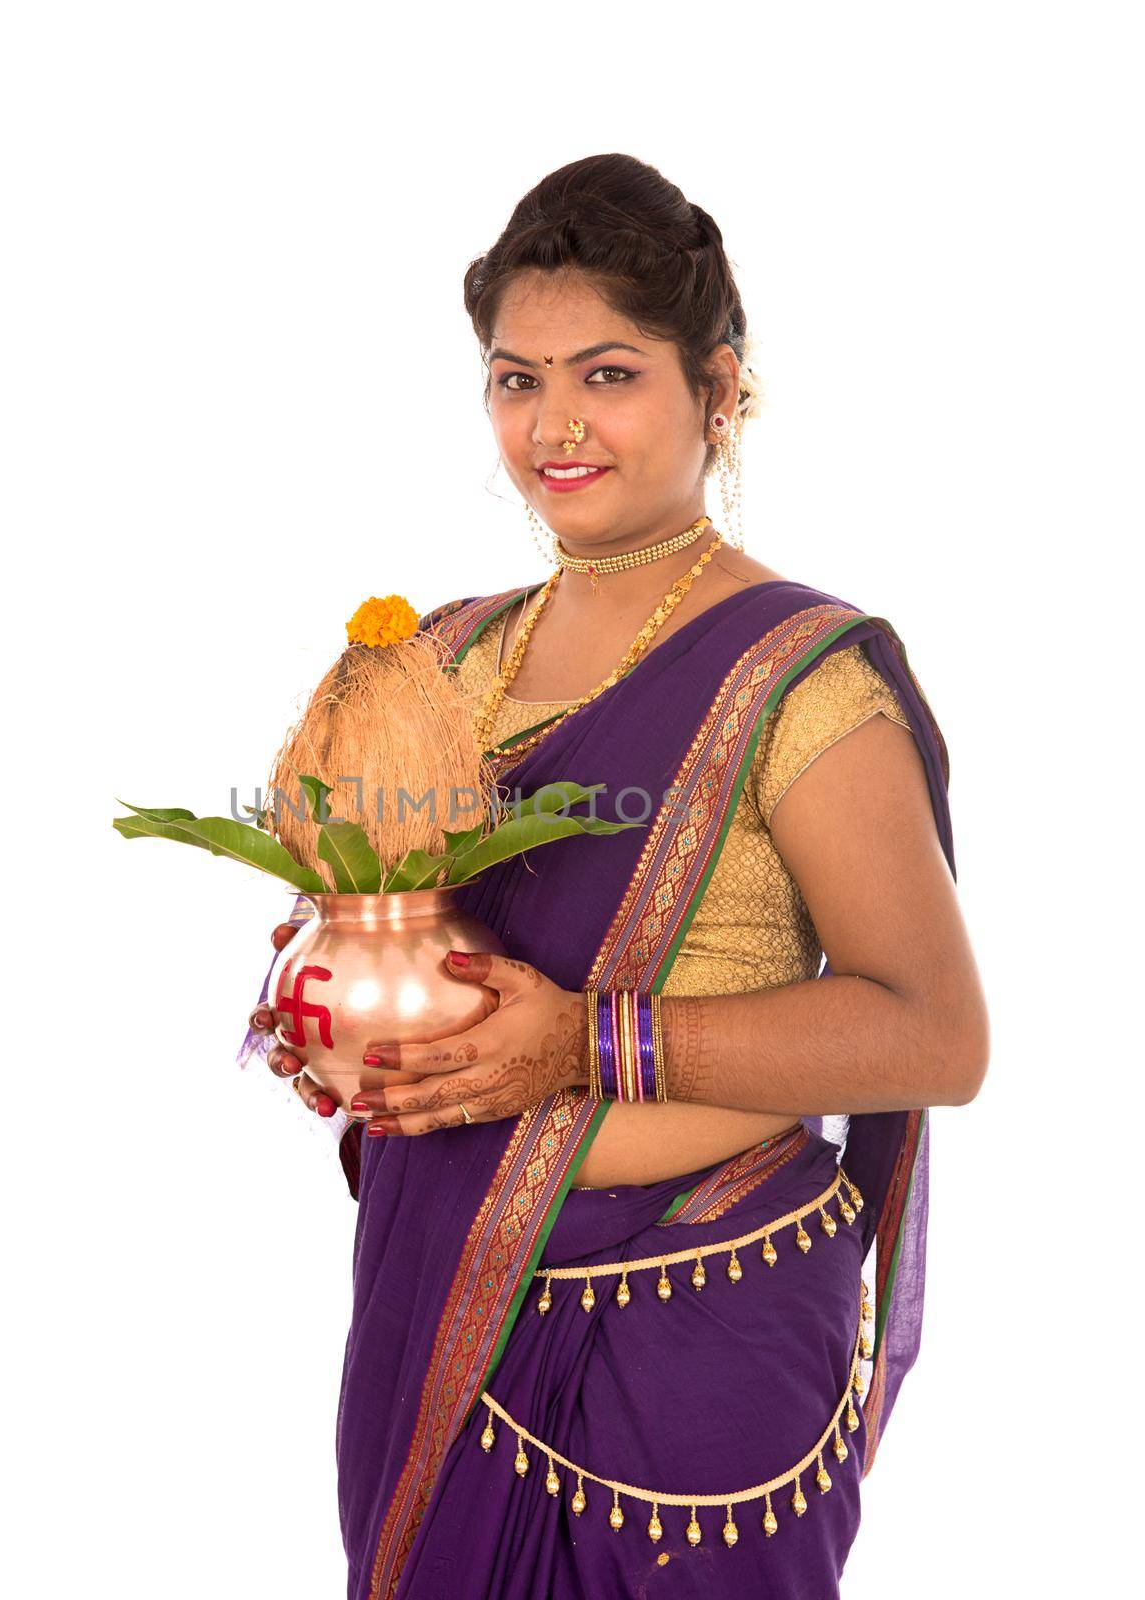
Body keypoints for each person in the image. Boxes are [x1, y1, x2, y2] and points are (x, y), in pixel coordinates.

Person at [242, 153, 989, 1599]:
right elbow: (366, 912)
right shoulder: (448, 653)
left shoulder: (798, 681)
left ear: (721, 389)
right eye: (516, 381)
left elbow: (935, 1035)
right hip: (447, 1303)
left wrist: (582, 1046)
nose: (555, 426)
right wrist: (331, 1024)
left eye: (608, 374)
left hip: (697, 1351)